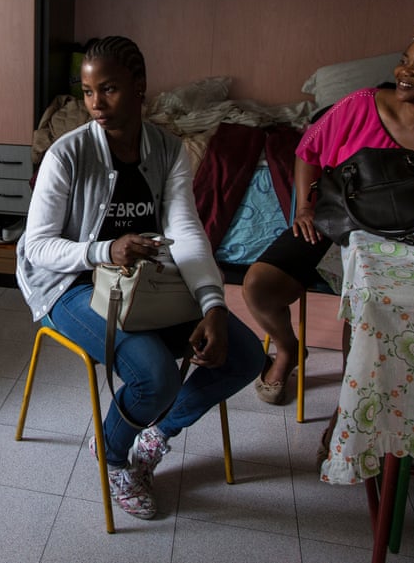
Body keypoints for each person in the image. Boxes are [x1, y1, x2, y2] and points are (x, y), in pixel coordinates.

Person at [16, 36, 265, 520]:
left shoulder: (168, 151)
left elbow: (186, 232)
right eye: (88, 92)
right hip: (69, 284)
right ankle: (112, 454)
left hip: (143, 282)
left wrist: (213, 304)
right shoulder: (67, 155)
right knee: (155, 375)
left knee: (245, 355)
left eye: (108, 89)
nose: (96, 104)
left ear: (139, 86)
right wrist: (104, 250)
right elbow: (39, 246)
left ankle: (154, 435)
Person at [243, 3, 414, 406]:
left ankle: (351, 409)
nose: (404, 72)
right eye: (405, 61)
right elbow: (308, 151)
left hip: (405, 239)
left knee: (365, 321)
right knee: (259, 286)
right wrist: (304, 207)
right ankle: (289, 350)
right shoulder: (361, 104)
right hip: (337, 218)